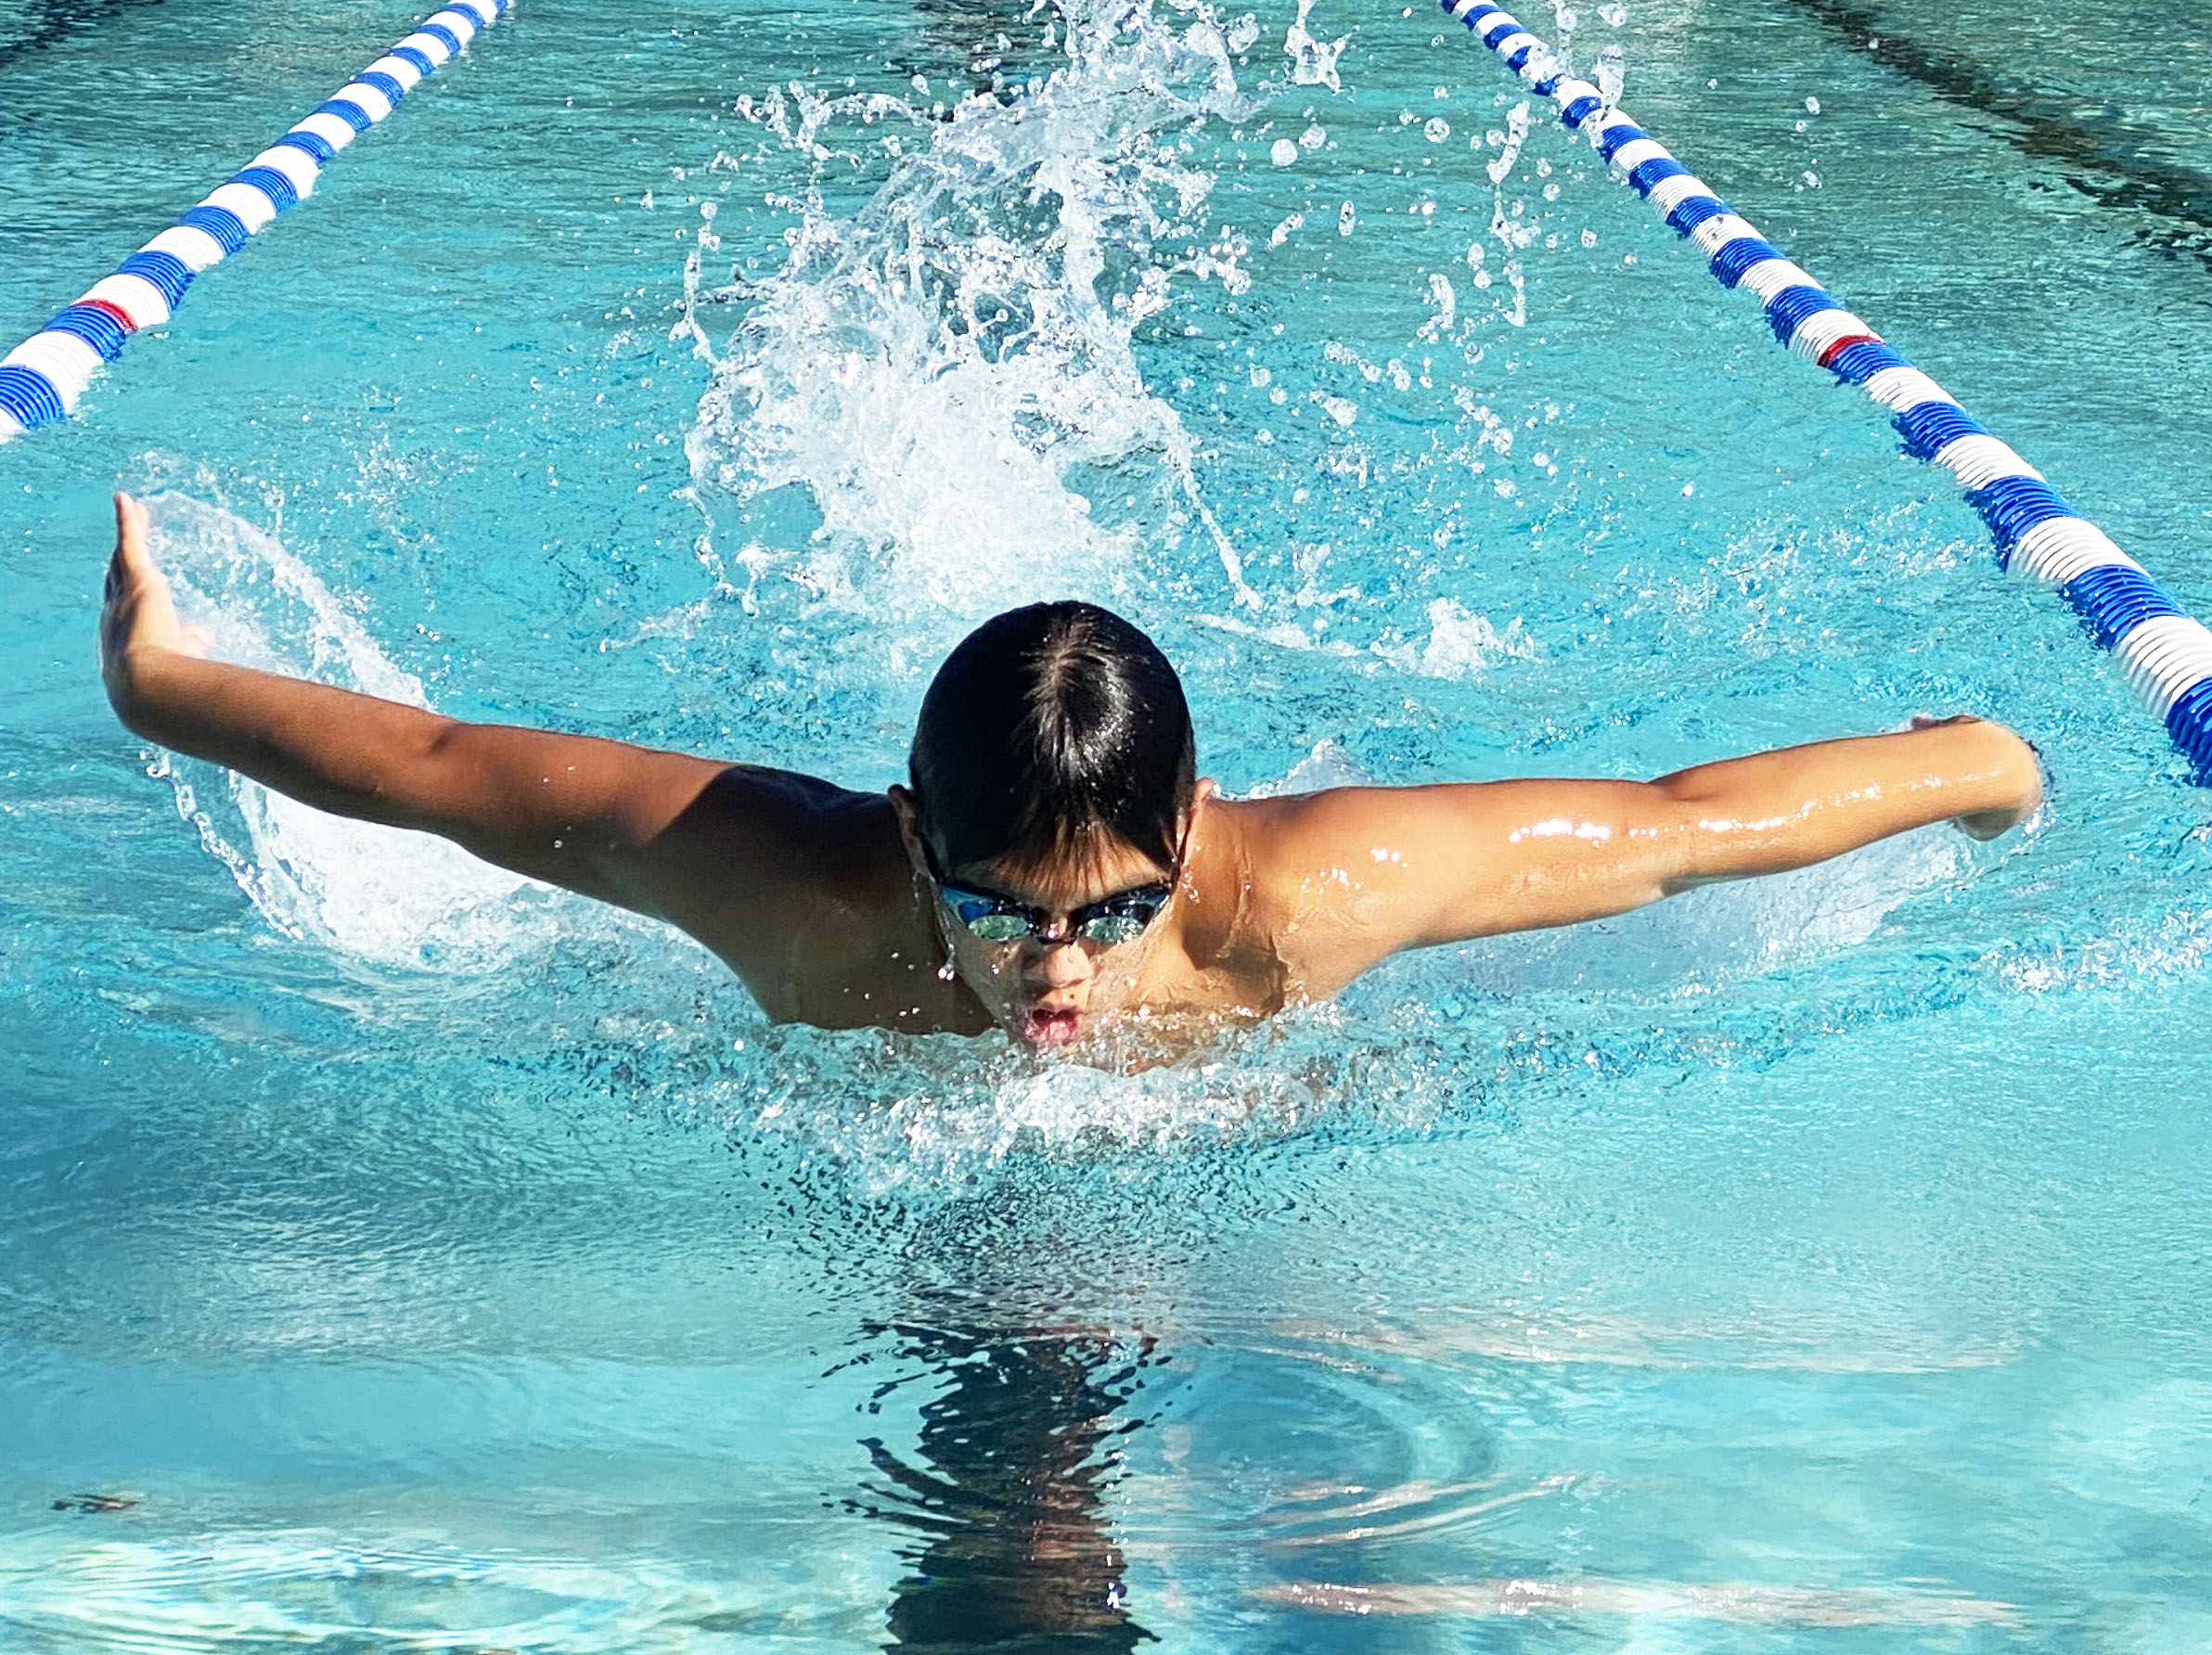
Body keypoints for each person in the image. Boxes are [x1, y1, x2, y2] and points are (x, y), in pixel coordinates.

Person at [99, 493, 2044, 1050]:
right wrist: (156, 683)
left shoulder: (1293, 903)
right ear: (908, 834)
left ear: (1185, 837)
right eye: (1000, 913)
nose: (1059, 968)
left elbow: (1681, 831)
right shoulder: (788, 887)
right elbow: (438, 765)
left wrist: (1968, 760)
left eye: (1110, 911)